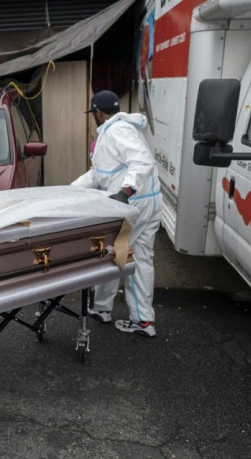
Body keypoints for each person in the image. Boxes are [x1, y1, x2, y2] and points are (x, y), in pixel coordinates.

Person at [72, 90, 162, 338]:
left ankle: (102, 309)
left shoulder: (117, 131)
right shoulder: (117, 131)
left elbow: (143, 161)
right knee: (140, 259)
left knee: (116, 256)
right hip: (148, 202)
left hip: (134, 205)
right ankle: (143, 320)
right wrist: (69, 191)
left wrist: (126, 191)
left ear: (98, 113)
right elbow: (98, 174)